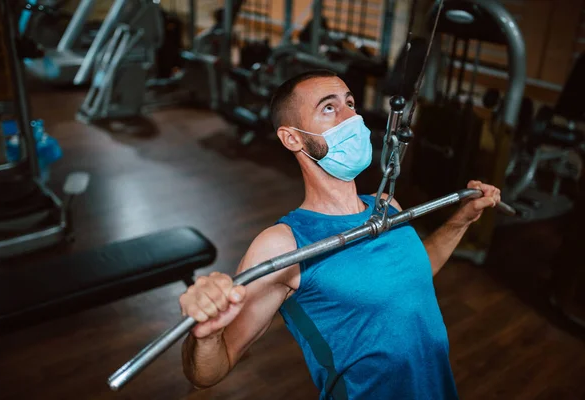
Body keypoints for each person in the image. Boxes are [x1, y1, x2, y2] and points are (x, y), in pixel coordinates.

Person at [179, 70, 501, 399]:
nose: (353, 117)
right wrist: (205, 335)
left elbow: (410, 275)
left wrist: (460, 221)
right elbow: (208, 372)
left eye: (350, 103)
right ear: (292, 138)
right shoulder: (284, 245)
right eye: (329, 108)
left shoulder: (386, 205)